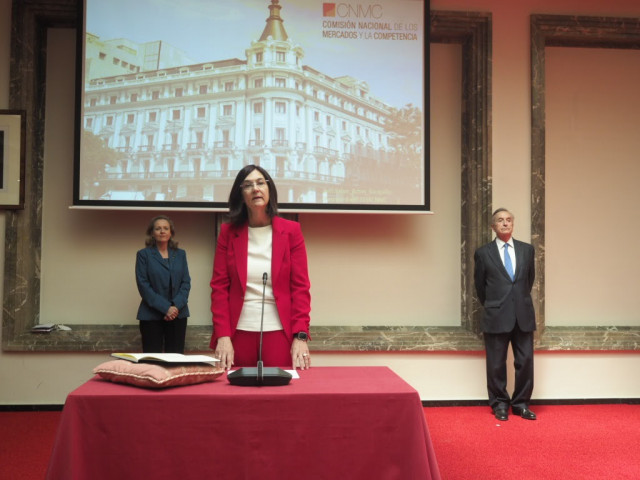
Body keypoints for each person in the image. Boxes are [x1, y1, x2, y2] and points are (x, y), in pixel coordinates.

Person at [210, 165, 311, 371]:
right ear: (241, 195)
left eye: (260, 183)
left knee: (280, 398)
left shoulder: (291, 231)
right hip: (237, 333)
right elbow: (219, 288)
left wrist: (300, 336)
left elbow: (300, 288)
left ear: (269, 189)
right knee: (236, 397)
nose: (255, 189)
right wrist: (223, 336)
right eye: (248, 185)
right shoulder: (228, 233)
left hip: (279, 332)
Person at [474, 208, 537, 421]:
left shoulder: (527, 250)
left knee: (525, 361)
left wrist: (516, 301)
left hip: (523, 314)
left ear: (513, 224)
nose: (505, 223)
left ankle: (521, 404)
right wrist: (495, 305)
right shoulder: (483, 253)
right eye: (500, 220)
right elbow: (480, 287)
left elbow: (528, 281)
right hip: (496, 314)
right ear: (493, 226)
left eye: (509, 220)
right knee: (496, 363)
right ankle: (499, 404)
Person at [135, 215, 191, 353]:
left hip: (178, 315)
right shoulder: (143, 255)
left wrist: (175, 307)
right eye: (158, 228)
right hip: (151, 316)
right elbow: (143, 285)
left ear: (171, 232)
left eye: (166, 228)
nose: (162, 231)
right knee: (152, 363)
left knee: (175, 362)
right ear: (152, 233)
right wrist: (166, 308)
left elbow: (186, 283)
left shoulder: (180, 254)